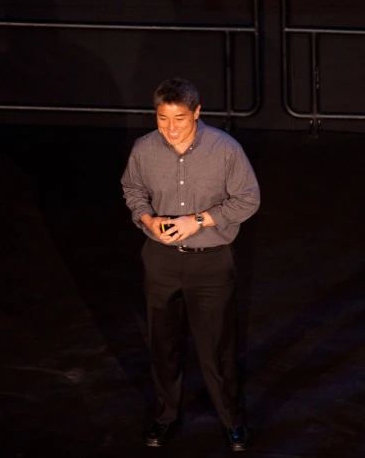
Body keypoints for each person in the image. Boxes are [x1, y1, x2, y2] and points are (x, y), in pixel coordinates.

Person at [121, 77, 260, 451]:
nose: (170, 128)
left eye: (179, 119)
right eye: (162, 118)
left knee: (216, 349)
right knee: (161, 344)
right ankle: (166, 415)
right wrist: (148, 220)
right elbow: (133, 190)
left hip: (211, 264)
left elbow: (248, 200)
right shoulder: (144, 148)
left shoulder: (225, 149)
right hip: (160, 261)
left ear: (197, 113)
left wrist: (196, 221)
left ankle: (231, 419)